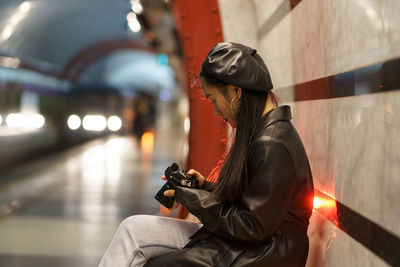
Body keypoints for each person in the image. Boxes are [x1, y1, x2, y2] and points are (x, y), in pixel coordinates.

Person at [99, 42, 314, 267]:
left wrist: (192, 199)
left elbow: (253, 226)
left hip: (264, 253)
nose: (216, 111)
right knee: (132, 229)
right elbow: (254, 205)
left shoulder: (272, 143)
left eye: (213, 99)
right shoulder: (264, 133)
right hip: (251, 245)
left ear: (236, 91)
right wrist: (203, 189)